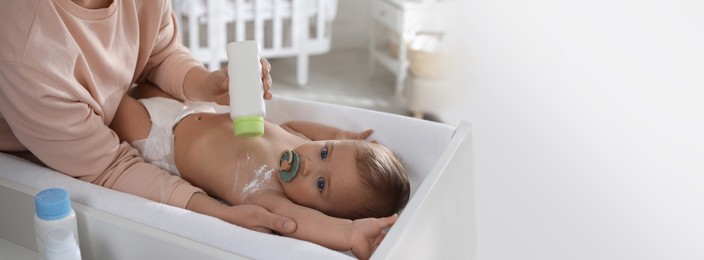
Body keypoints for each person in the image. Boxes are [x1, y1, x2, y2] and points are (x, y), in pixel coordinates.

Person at [0, 0, 294, 235]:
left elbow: (160, 53)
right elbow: (108, 166)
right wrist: (217, 214)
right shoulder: (27, 52)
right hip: (52, 140)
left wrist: (207, 85)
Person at [109, 84, 411, 259]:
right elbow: (299, 129)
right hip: (192, 109)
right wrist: (341, 134)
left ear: (323, 210)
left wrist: (350, 234)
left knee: (111, 98)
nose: (308, 165)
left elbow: (301, 223)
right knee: (145, 78)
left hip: (160, 140)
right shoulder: (301, 143)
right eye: (324, 152)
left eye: (321, 184)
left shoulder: (272, 197)